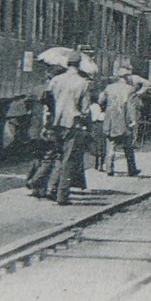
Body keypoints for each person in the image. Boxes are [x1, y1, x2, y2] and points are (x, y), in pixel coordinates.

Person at [29, 55, 91, 205]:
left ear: (67, 64)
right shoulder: (84, 83)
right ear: (79, 65)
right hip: (73, 125)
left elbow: (47, 102)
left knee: (55, 156)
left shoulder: (55, 80)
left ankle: (41, 183)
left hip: (55, 124)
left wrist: (47, 123)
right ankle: (62, 195)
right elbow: (85, 109)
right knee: (68, 160)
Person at [100, 66, 143, 177]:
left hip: (110, 121)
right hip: (124, 121)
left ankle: (109, 168)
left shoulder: (109, 88)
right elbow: (131, 107)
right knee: (128, 146)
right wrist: (133, 120)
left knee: (111, 145)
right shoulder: (130, 89)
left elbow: (101, 100)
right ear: (127, 77)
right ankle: (131, 169)